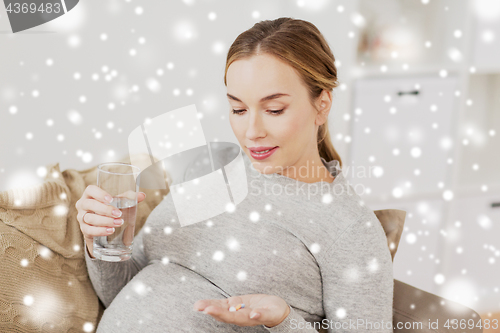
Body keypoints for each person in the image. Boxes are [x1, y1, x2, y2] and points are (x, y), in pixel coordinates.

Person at [77, 17, 394, 332]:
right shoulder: (214, 170)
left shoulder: (350, 228)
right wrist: (102, 241)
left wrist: (283, 321)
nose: (252, 131)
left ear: (322, 104)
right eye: (239, 110)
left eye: (274, 110)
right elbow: (120, 290)